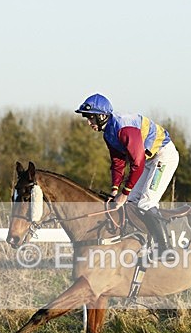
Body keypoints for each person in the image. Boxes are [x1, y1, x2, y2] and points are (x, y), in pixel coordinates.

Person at [75, 93, 180, 257]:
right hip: (147, 160)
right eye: (87, 118)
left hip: (163, 156)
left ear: (102, 116)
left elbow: (137, 164)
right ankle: (142, 243)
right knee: (131, 203)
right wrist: (115, 190)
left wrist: (124, 193)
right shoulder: (108, 133)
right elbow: (118, 162)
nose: (89, 123)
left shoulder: (124, 129)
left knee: (145, 203)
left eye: (91, 118)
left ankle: (166, 249)